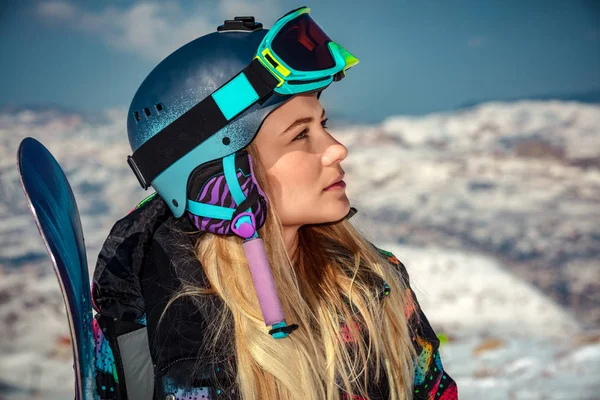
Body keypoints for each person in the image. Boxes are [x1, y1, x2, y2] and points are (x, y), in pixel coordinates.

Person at [91, 7, 458, 400]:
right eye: (300, 135)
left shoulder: (375, 284)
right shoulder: (148, 317)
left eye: (324, 125)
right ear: (223, 178)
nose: (337, 149)